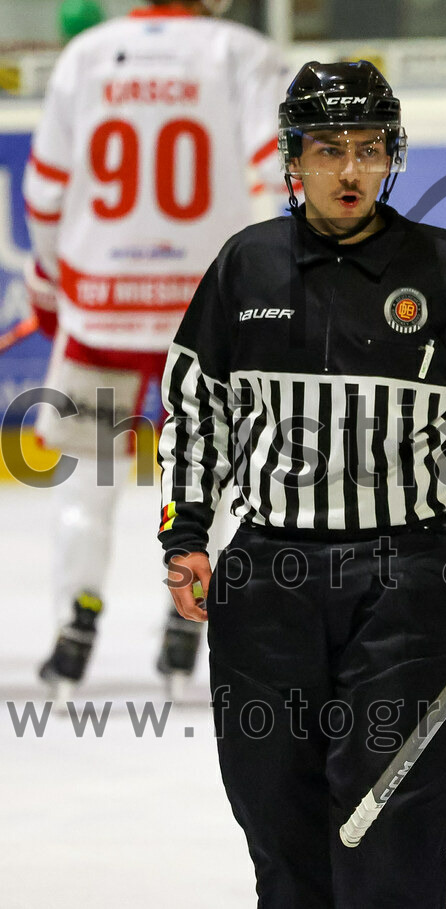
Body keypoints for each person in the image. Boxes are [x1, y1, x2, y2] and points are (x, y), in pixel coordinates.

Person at [158, 60, 446, 907]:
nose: (350, 169)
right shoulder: (245, 264)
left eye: (368, 148)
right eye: (328, 149)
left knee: (394, 824)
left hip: (408, 576)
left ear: (392, 156)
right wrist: (186, 534)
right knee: (277, 822)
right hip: (265, 578)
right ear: (293, 158)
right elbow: (196, 410)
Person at [22, 0, 289, 697]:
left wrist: (50, 283)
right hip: (204, 311)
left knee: (88, 477)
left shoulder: (86, 55)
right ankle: (186, 621)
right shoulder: (240, 51)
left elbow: (44, 193)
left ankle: (75, 626)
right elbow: (281, 176)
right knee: (208, 468)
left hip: (102, 307)